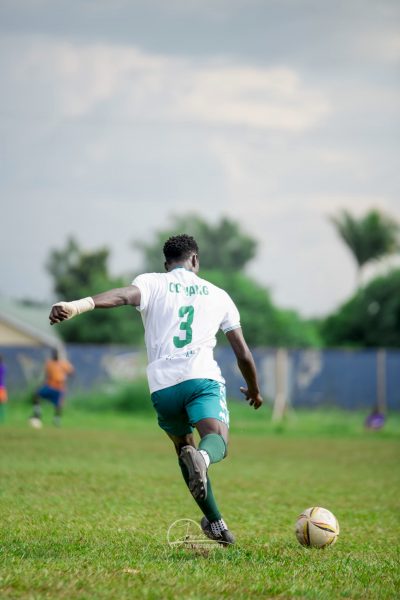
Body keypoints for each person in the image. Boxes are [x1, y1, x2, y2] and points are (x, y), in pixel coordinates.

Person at [49, 234, 263, 545]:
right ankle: (205, 458)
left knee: (184, 451)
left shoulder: (152, 282)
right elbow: (243, 353)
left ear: (166, 264)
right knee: (215, 442)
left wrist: (76, 305)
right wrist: (255, 390)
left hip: (162, 388)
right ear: (195, 261)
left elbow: (123, 296)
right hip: (200, 380)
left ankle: (216, 523)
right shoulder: (219, 295)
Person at [30, 348, 74, 428]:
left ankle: (57, 420)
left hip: (59, 388)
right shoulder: (49, 364)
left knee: (58, 405)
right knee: (37, 394)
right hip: (50, 386)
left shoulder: (64, 364)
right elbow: (47, 375)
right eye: (54, 353)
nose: (55, 355)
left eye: (56, 353)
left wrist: (65, 377)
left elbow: (71, 372)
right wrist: (41, 384)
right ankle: (37, 412)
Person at [0, 355, 8, 423]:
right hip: (2, 387)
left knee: (2, 403)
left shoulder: (2, 367)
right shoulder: (3, 367)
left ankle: (1, 418)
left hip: (1, 387)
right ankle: (2, 418)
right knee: (2, 403)